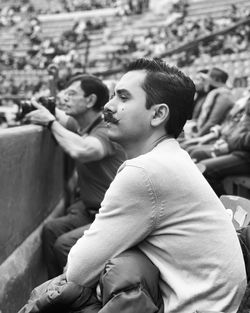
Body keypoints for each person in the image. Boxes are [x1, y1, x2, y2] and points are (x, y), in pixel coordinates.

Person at [21, 58, 246, 313]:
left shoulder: (144, 172)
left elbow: (77, 271)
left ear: (159, 114)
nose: (109, 105)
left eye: (123, 98)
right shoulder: (168, 157)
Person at [26, 74, 126, 278]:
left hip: (113, 214)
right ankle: (56, 293)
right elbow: (61, 119)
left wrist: (51, 122)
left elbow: (83, 150)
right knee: (52, 230)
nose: (65, 98)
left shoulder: (106, 129)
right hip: (91, 210)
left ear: (90, 101)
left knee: (65, 245)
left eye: (72, 94)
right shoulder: (80, 124)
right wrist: (43, 108)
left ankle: (84, 300)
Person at [189, 67, 234, 138]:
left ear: (215, 81)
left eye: (206, 80)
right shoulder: (213, 95)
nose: (205, 83)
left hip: (213, 136)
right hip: (203, 133)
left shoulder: (223, 97)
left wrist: (197, 136)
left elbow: (212, 122)